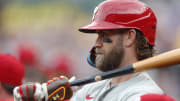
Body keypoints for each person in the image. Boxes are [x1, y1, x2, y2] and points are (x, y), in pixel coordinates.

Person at [13, 0, 173, 101]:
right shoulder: (94, 87)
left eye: (104, 35)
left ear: (130, 37)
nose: (96, 43)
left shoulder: (143, 93)